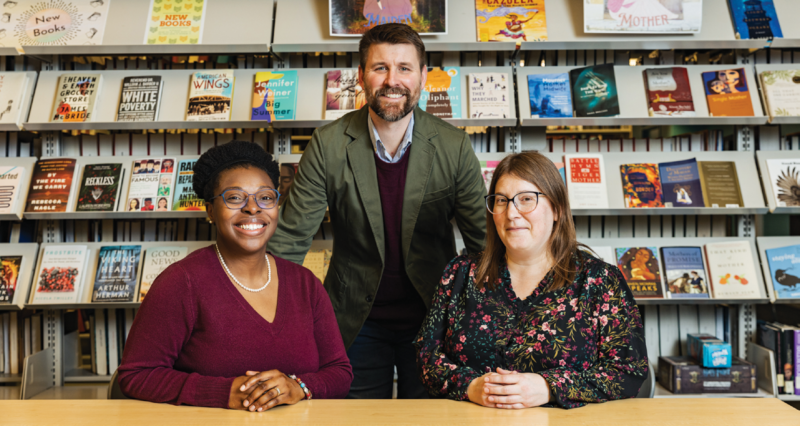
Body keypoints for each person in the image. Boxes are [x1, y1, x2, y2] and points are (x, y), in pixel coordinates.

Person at [267, 23, 487, 399]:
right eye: (380, 67)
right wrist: (259, 315)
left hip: (434, 319)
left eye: (404, 68)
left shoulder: (453, 146)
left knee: (433, 422)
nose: (392, 80)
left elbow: (484, 242)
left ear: (422, 76)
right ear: (361, 77)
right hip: (355, 320)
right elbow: (290, 239)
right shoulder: (328, 143)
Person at [118, 141, 352, 410]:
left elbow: (340, 372)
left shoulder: (305, 284)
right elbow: (136, 375)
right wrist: (222, 392)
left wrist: (297, 386)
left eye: (265, 197)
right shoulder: (181, 282)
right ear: (210, 211)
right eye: (234, 197)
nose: (253, 208)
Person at [415, 152, 648, 409]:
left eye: (526, 199)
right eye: (501, 200)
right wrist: (472, 387)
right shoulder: (459, 274)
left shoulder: (601, 282)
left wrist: (549, 387)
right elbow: (427, 360)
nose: (511, 213)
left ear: (557, 208)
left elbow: (629, 372)